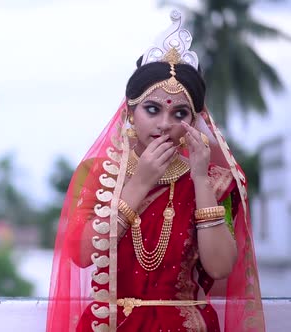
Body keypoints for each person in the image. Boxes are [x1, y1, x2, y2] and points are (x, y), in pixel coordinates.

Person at [46, 10, 265, 332]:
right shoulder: (97, 173)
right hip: (110, 325)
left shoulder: (217, 181)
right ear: (130, 113)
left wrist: (201, 179)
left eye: (180, 113)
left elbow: (219, 267)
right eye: (152, 109)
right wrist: (138, 184)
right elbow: (81, 254)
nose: (165, 124)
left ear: (194, 121)